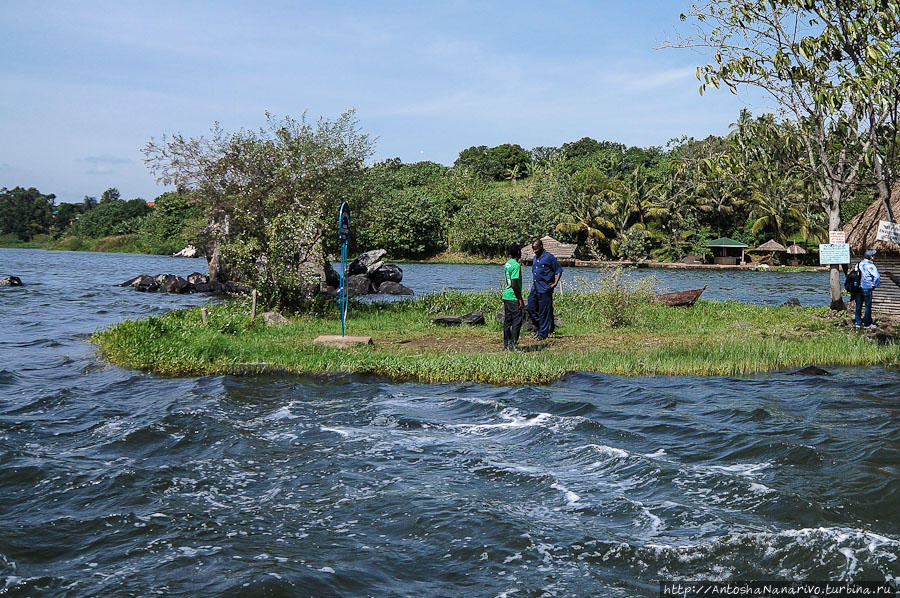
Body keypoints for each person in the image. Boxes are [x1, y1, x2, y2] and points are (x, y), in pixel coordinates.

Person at [526, 239, 562, 341]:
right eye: (533, 249)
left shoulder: (549, 258)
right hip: (535, 287)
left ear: (541, 246)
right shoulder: (535, 258)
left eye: (536, 248)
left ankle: (543, 333)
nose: (534, 251)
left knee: (544, 311)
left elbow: (559, 270)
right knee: (530, 307)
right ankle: (540, 327)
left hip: (545, 288)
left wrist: (555, 283)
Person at [501, 244, 525, 350]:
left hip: (506, 294)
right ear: (518, 253)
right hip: (512, 296)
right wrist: (520, 299)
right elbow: (514, 283)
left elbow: (508, 280)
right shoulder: (516, 265)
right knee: (517, 320)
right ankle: (513, 344)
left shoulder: (507, 264)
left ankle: (506, 344)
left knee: (507, 321)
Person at [855, 249, 880, 329]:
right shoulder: (871, 265)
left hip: (858, 288)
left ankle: (858, 323)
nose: (874, 257)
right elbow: (877, 276)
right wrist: (874, 285)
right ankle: (867, 324)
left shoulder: (858, 264)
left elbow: (856, 274)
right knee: (867, 306)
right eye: (873, 255)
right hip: (867, 288)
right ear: (871, 257)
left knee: (858, 305)